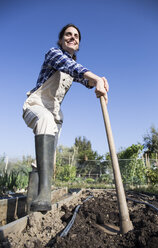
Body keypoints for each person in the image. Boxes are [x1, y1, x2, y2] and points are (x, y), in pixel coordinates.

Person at [23, 24, 109, 212]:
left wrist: (98, 81)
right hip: (36, 106)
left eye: (76, 36)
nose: (72, 37)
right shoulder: (53, 54)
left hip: (54, 114)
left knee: (44, 160)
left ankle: (32, 207)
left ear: (78, 44)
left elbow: (82, 78)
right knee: (44, 120)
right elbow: (71, 66)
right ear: (61, 40)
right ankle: (45, 194)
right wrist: (96, 78)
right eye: (68, 35)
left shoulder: (72, 69)